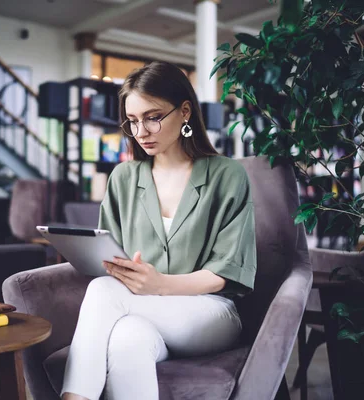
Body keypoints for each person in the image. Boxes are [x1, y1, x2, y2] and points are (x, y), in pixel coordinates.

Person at [61, 61, 257, 400]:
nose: (141, 132)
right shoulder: (123, 178)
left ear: (184, 112)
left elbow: (227, 270)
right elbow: (111, 257)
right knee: (127, 339)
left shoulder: (227, 175)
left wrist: (161, 284)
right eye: (132, 121)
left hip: (210, 312)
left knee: (104, 292)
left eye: (152, 117)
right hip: (140, 309)